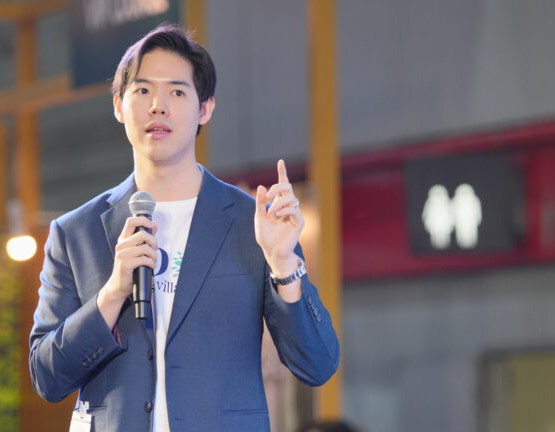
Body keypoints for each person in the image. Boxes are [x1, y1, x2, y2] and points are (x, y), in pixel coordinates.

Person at [29, 23, 339, 432]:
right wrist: (112, 293)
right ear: (119, 106)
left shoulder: (252, 222)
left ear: (204, 109)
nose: (158, 106)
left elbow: (316, 364)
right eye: (143, 90)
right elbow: (47, 377)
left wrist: (283, 264)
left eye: (177, 92)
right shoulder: (76, 233)